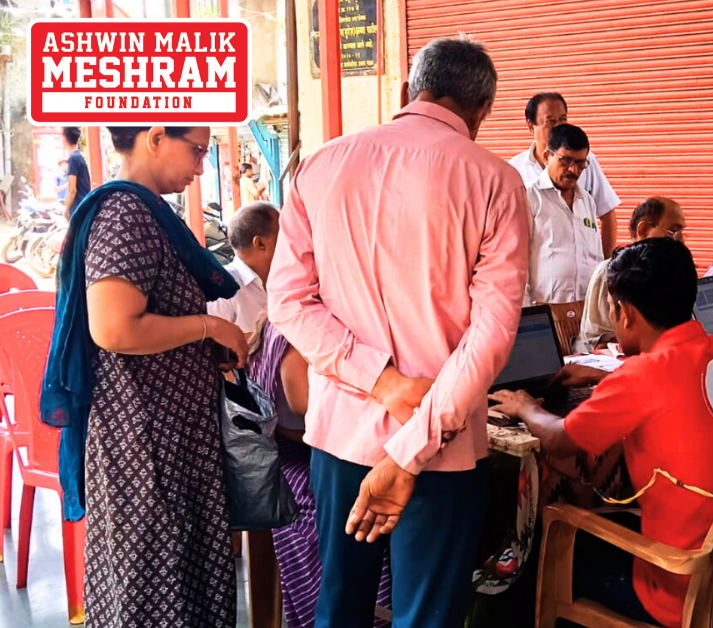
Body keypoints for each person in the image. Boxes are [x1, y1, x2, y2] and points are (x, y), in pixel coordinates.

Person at [268, 36, 531, 628]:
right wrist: (409, 446)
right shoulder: (494, 181)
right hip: (442, 447)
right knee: (428, 615)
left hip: (342, 438)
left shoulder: (322, 164)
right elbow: (490, 336)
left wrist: (380, 382)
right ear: (480, 111)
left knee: (339, 605)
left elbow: (286, 302)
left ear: (410, 90)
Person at [490, 238, 713, 628]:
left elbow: (558, 438)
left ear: (624, 312)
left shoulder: (642, 377)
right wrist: (606, 377)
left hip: (689, 588)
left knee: (548, 538)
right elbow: (674, 383)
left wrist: (526, 406)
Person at [40, 125, 248, 627]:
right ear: (156, 137)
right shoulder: (125, 214)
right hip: (145, 443)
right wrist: (208, 326)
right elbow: (113, 328)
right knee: (157, 591)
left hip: (166, 437)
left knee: (180, 584)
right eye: (197, 150)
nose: (201, 166)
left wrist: (201, 347)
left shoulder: (146, 211)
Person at [246, 316, 393, 628]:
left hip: (285, 457)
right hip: (298, 461)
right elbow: (309, 413)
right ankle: (371, 609)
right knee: (370, 506)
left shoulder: (273, 321)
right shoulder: (300, 334)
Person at [510, 92, 622, 256]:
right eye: (551, 121)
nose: (559, 127)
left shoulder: (586, 161)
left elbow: (607, 212)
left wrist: (605, 266)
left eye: (563, 119)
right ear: (530, 126)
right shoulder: (515, 170)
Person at [576, 196, 686, 353]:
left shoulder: (677, 272)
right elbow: (595, 341)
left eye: (682, 232)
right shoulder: (610, 273)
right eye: (673, 231)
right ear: (644, 230)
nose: (680, 240)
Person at [525, 123, 603, 305]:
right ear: (547, 157)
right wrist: (528, 312)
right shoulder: (529, 198)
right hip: (545, 313)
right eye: (565, 161)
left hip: (585, 312)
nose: (574, 170)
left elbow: (595, 257)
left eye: (580, 163)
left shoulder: (587, 202)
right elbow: (516, 263)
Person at [208, 201, 279, 333]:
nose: (290, 242)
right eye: (283, 235)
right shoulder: (225, 289)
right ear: (260, 243)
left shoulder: (284, 280)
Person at [62, 126, 92, 218]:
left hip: (77, 207)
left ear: (66, 139)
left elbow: (72, 189)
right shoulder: (79, 156)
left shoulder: (73, 159)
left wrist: (66, 210)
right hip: (84, 205)